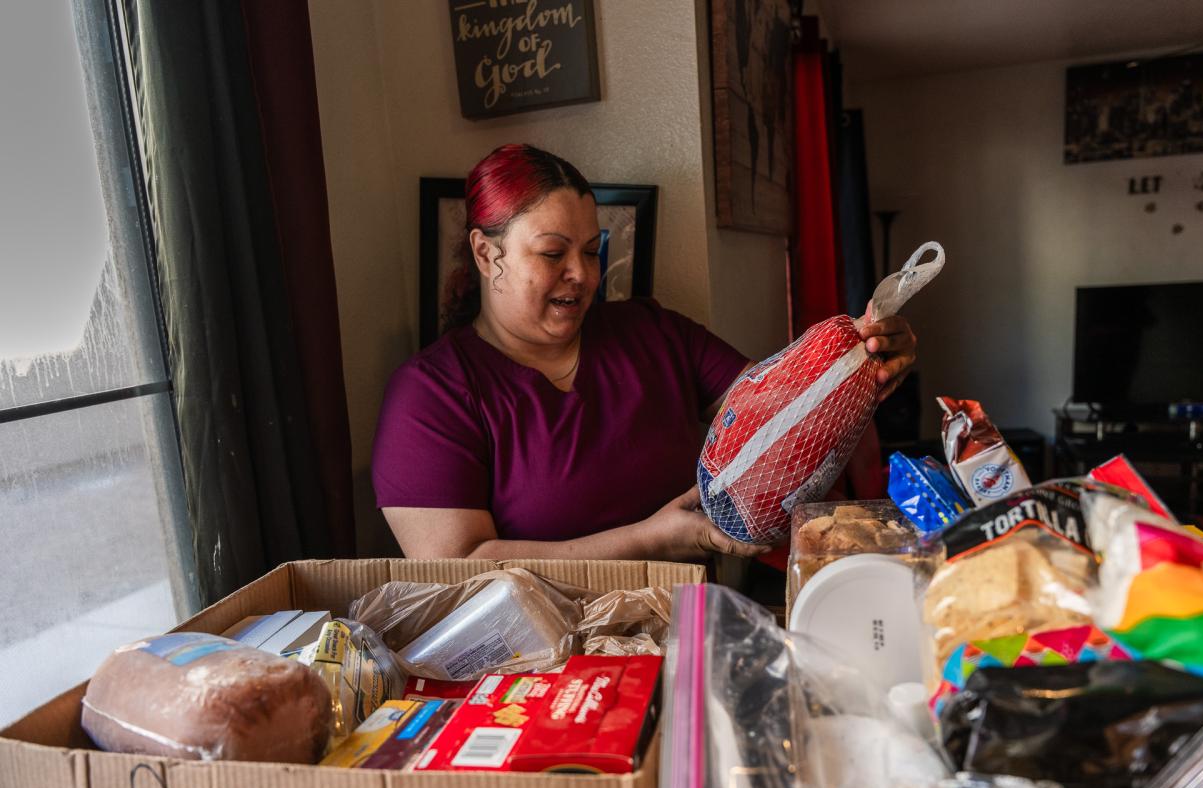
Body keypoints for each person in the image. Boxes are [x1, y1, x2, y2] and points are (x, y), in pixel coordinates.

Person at [372, 144, 917, 561]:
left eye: (591, 250)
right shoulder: (431, 395)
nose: (583, 275)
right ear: (487, 253)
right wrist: (650, 539)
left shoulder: (651, 332)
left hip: (691, 628)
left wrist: (861, 364)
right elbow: (459, 568)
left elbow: (781, 415)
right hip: (538, 669)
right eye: (552, 252)